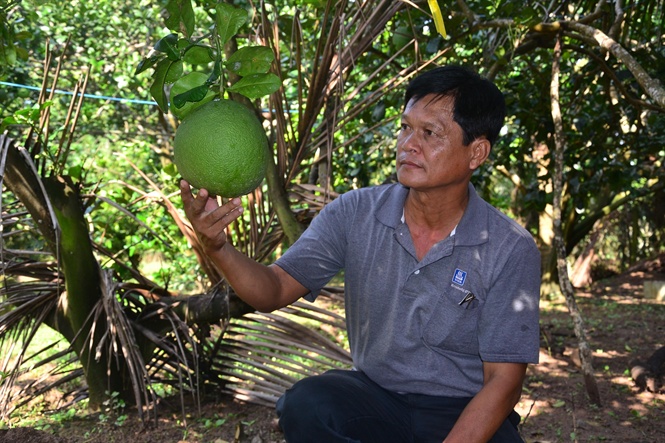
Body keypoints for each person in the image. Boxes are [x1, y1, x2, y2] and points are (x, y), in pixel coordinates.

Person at [180, 65, 541, 443]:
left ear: (476, 152)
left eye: (429, 133)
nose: (407, 144)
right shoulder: (355, 213)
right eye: (404, 128)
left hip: (464, 410)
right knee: (307, 404)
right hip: (376, 401)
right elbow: (272, 289)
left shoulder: (508, 247)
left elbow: (503, 381)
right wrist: (218, 247)